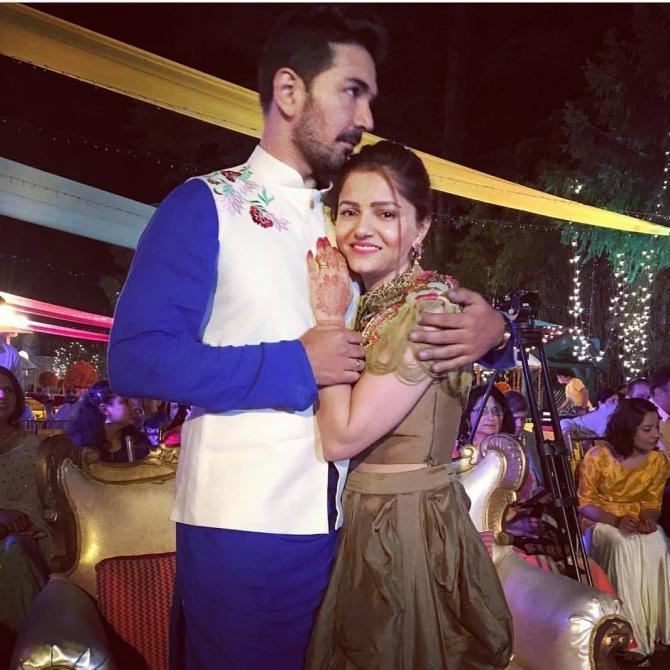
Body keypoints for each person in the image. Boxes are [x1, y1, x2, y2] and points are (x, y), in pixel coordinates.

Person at [108, 8, 509, 669]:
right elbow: (136, 357)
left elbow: (408, 307)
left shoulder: (344, 222)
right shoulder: (207, 206)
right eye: (352, 91)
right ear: (290, 92)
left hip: (349, 532)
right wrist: (295, 363)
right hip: (247, 529)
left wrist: (493, 329)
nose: (366, 117)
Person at [304, 141, 512, 669]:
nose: (361, 228)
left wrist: (326, 323)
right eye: (349, 211)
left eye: (386, 213)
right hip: (365, 516)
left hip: (404, 528)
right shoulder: (371, 302)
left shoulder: (426, 308)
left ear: (421, 229)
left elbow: (342, 437)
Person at [578, 398, 670, 662]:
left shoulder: (658, 461)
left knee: (658, 542)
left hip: (635, 519)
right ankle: (630, 636)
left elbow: (652, 503)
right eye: (647, 429)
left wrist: (649, 519)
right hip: (599, 521)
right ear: (628, 429)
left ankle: (656, 628)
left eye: (656, 428)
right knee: (622, 545)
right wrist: (614, 520)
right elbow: (585, 504)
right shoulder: (598, 457)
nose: (656, 435)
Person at [0, 366, 54, 661]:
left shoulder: (35, 449)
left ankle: (25, 656)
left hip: (24, 540)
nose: (2, 396)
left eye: (8, 390)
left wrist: (12, 520)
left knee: (12, 552)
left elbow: (43, 504)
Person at [66, 380, 151, 462]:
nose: (134, 406)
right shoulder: (80, 446)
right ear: (105, 410)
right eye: (125, 401)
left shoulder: (139, 443)